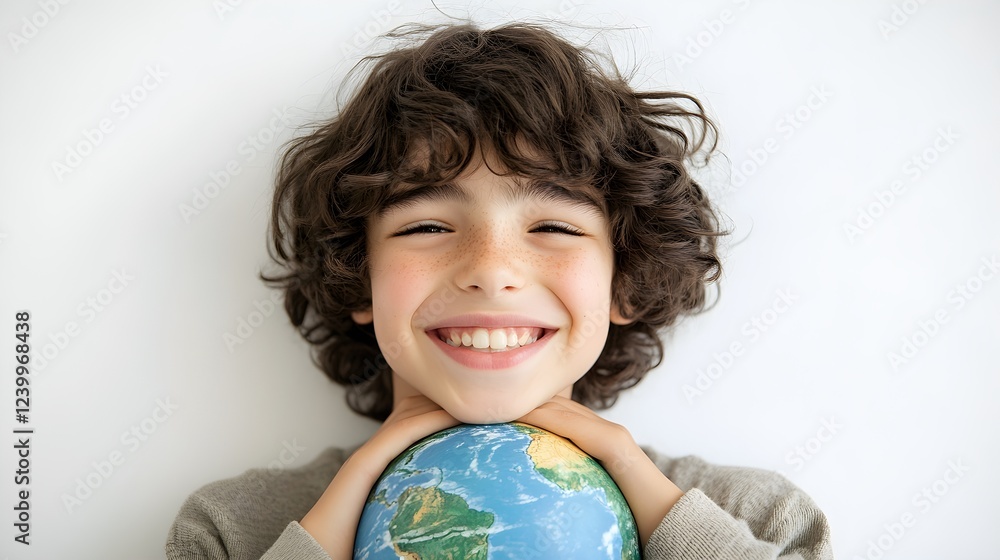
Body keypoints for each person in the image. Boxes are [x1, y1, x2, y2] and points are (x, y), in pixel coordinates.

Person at [166, 22, 833, 559]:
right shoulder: (232, 531)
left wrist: (636, 481)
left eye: (552, 225)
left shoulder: (760, 522)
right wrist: (347, 505)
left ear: (624, 279)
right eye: (426, 224)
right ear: (358, 275)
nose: (492, 268)